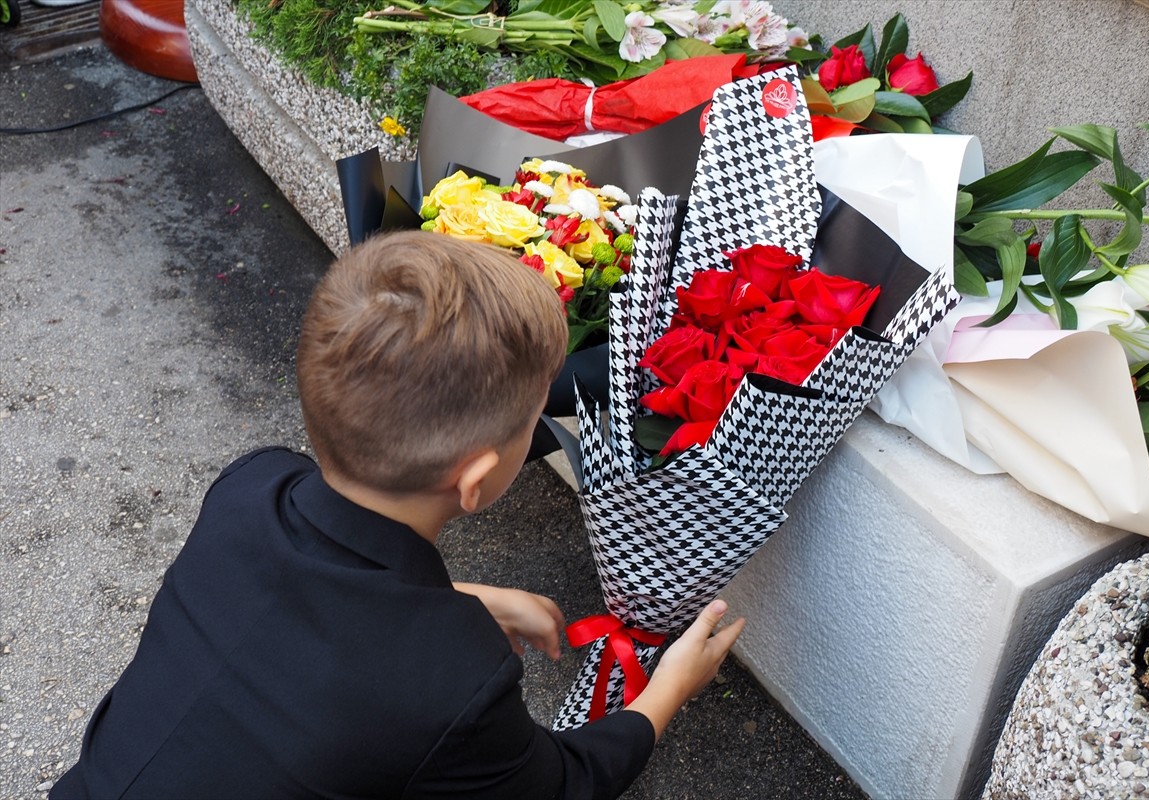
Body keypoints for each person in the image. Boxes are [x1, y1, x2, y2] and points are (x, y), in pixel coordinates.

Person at [51, 230, 745, 799]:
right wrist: (667, 691)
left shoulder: (251, 489)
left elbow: (310, 607)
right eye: (536, 416)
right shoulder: (454, 682)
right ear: (474, 482)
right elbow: (565, 785)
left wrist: (461, 597)